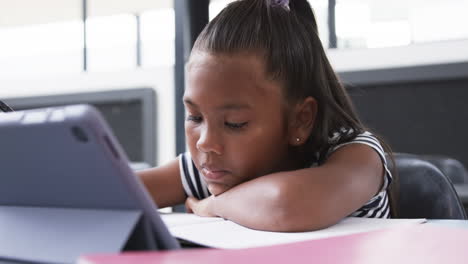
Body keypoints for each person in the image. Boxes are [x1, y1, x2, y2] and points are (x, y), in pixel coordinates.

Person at [138, 0, 397, 232]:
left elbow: (286, 205)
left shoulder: (358, 154)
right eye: (195, 117)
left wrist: (213, 206)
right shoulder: (213, 167)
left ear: (301, 119)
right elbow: (113, 196)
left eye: (234, 123)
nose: (205, 142)